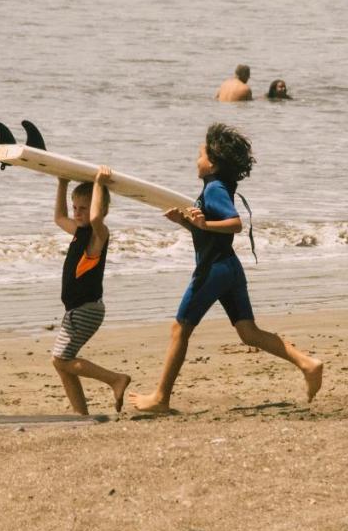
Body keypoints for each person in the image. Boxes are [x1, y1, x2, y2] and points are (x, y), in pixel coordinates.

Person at [129, 124, 323, 413]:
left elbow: (234, 224)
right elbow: (207, 231)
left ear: (214, 163)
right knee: (248, 332)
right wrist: (184, 222)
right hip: (229, 267)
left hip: (215, 269)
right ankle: (308, 363)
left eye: (200, 155)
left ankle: (160, 398)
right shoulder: (215, 187)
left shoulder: (215, 188)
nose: (196, 160)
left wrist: (203, 223)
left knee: (179, 329)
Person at [50, 168, 131, 414]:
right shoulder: (79, 232)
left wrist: (98, 183)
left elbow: (96, 218)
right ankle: (80, 414)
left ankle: (115, 379)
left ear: (101, 210)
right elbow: (59, 217)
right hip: (77, 310)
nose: (77, 213)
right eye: (76, 208)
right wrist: (62, 183)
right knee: (61, 362)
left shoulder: (99, 234)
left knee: (60, 360)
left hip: (86, 309)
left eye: (83, 208)